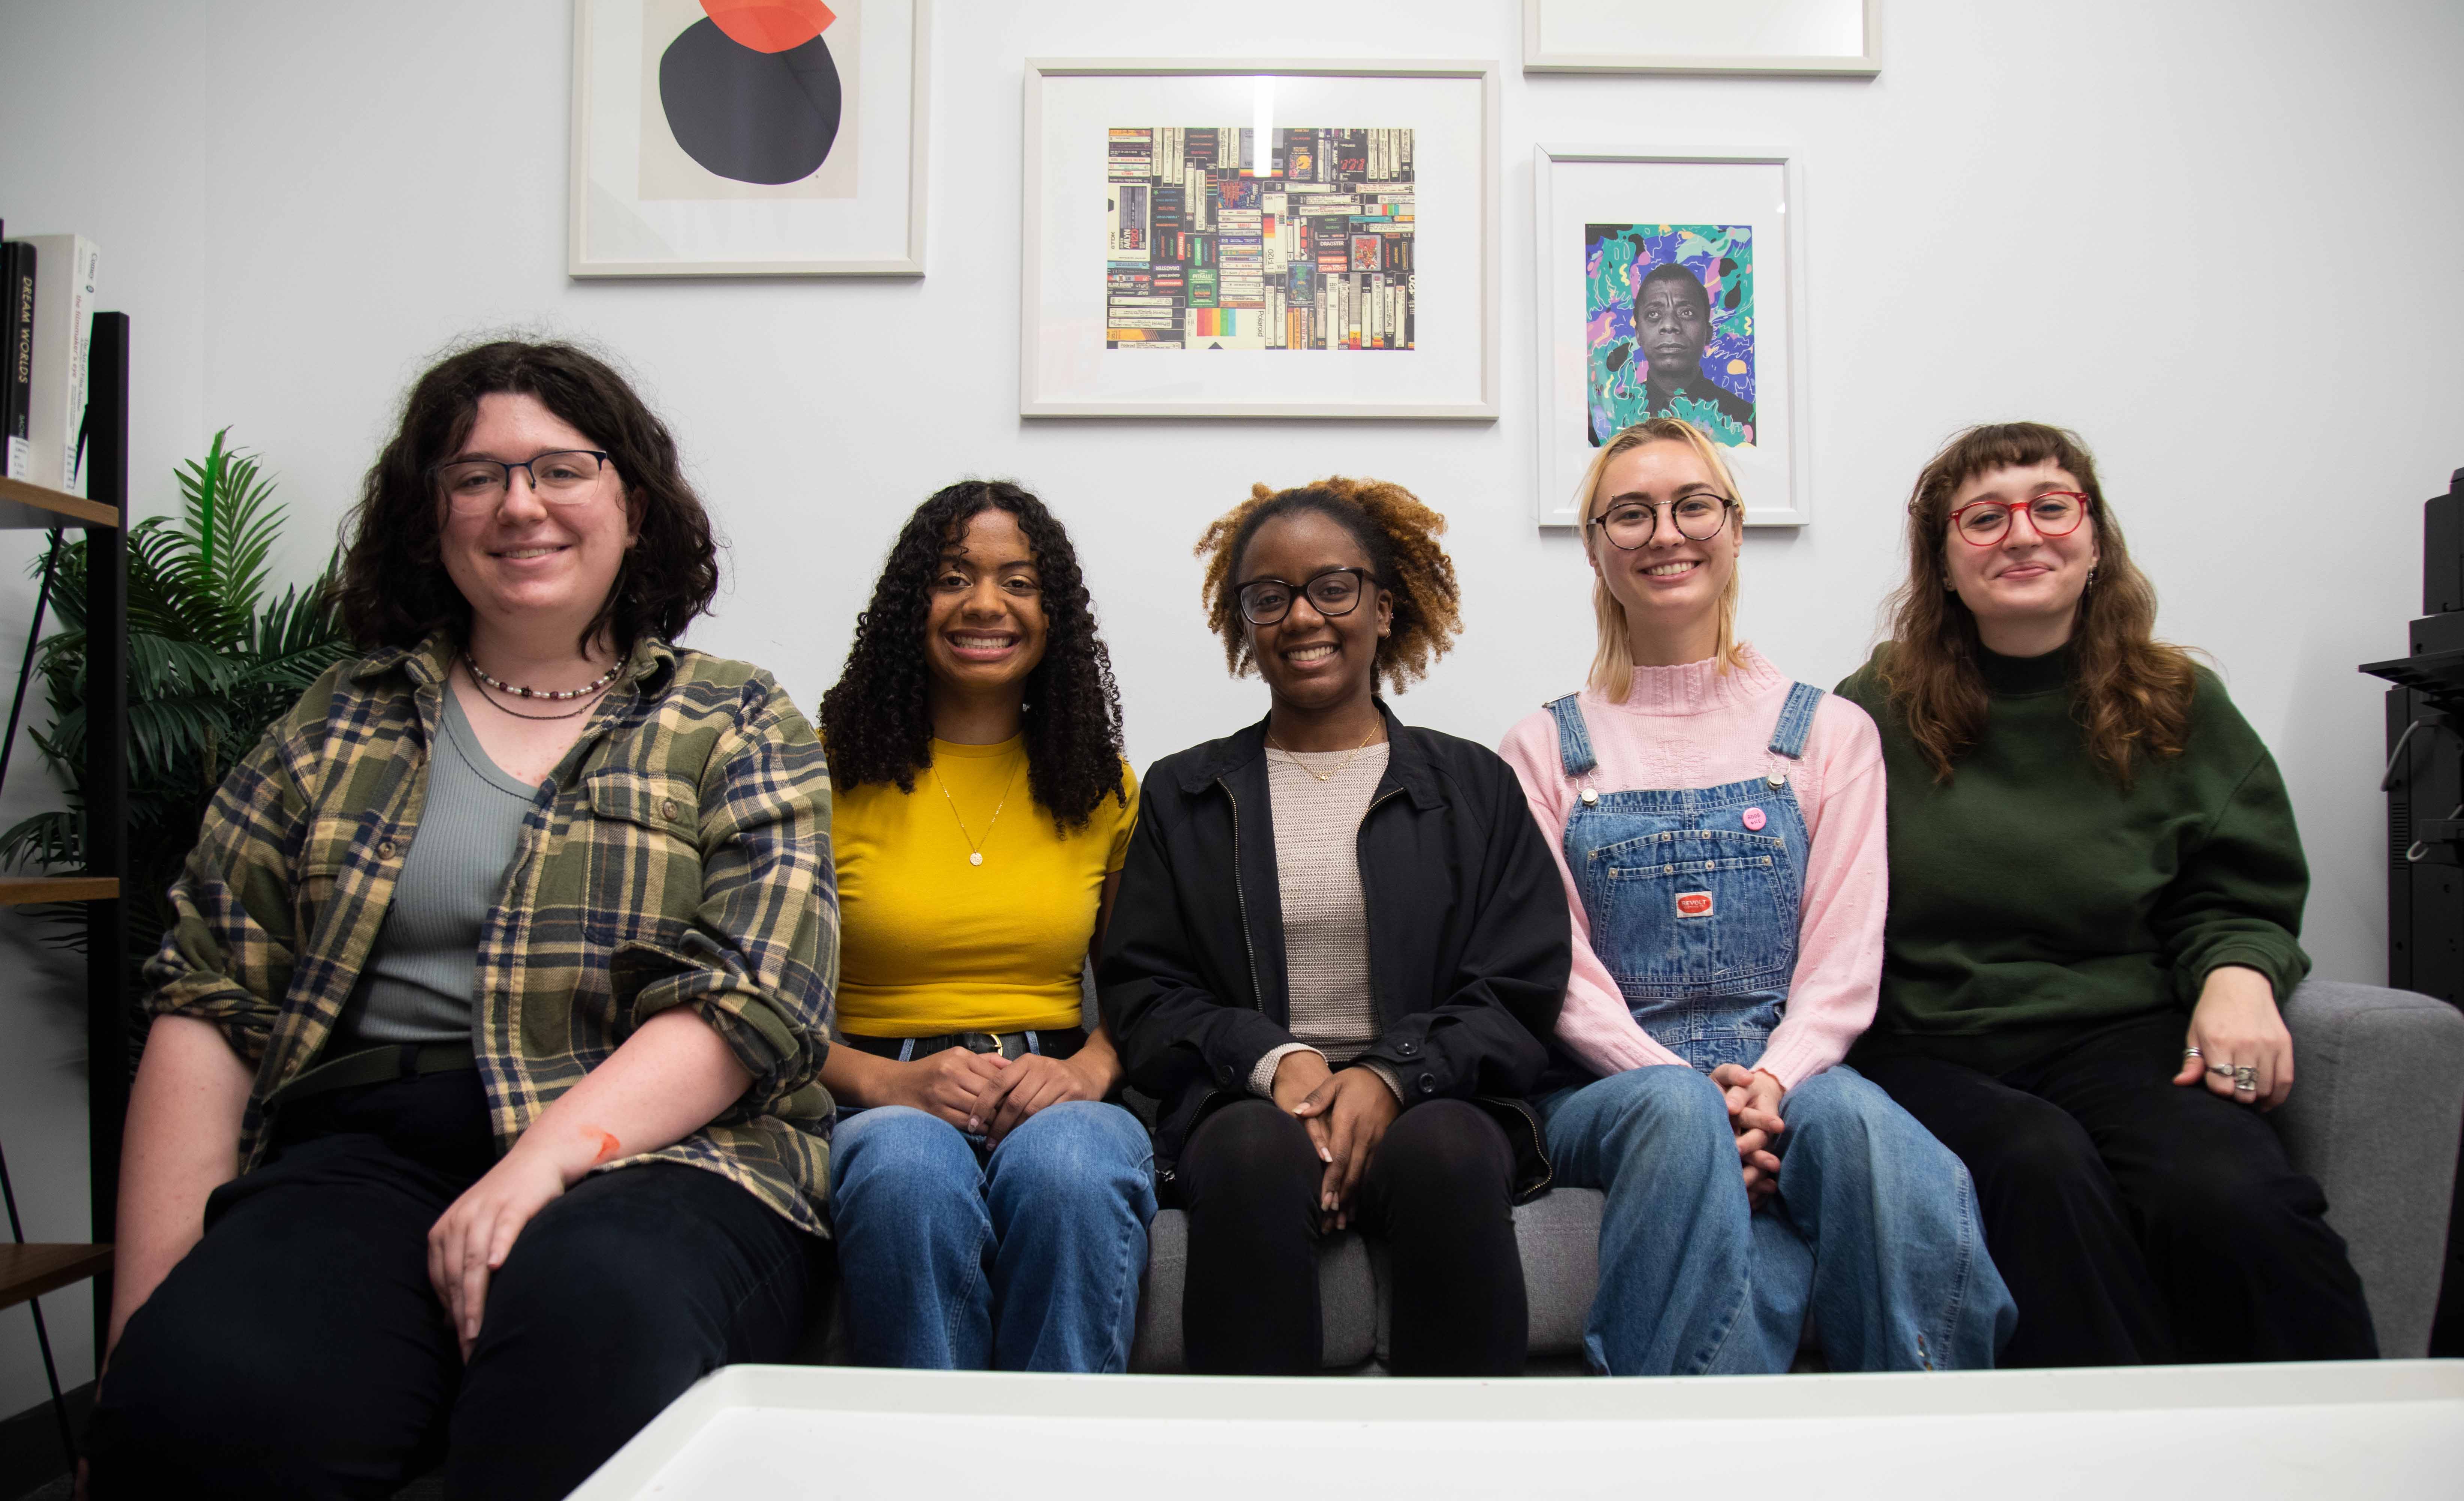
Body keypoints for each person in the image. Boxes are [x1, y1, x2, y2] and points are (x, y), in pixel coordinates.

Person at [83, 341, 839, 1499]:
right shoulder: (337, 721)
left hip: (660, 1156)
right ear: (430, 514)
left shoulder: (732, 716)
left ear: (632, 506)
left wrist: (531, 1170)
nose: (519, 504)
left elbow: (755, 993)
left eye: (560, 468)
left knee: (594, 1318)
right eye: (476, 475)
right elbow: (210, 997)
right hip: (369, 1150)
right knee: (207, 1401)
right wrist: (149, 1324)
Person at [1837, 421, 2378, 1366]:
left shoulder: (2177, 702)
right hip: (1929, 1043)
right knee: (2039, 1164)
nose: (2022, 532)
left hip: (2119, 1037)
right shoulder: (1874, 706)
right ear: (1943, 561)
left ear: (2094, 542)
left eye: (2052, 505)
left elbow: (2237, 889)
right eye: (1984, 516)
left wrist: (2241, 973)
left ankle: (2344, 1451)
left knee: (2231, 1195)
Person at [1497, 416, 2014, 1376]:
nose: (1666, 533)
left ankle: (1934, 1428)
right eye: (1632, 513)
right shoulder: (1539, 747)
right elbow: (1559, 973)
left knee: (1862, 1127)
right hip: (1608, 1089)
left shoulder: (1830, 731)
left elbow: (1845, 956)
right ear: (1594, 546)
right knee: (1674, 1113)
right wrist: (1694, 1093)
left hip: (1793, 1071)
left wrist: (1769, 1082)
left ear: (1734, 529)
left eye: (1695, 505)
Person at [1099, 478, 1569, 1375]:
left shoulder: (1472, 786)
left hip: (1434, 1099)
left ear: (1385, 606)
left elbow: (1518, 985)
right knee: (1247, 1151)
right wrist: (1275, 1062)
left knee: (1448, 1152)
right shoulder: (1183, 792)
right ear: (1243, 622)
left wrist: (1395, 1075)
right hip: (1246, 1103)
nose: (1301, 615)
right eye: (1268, 596)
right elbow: (1147, 994)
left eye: (1333, 586)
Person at [815, 480, 1154, 1372]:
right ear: (907, 606)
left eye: (1019, 580)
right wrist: (886, 1086)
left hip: (1050, 1077)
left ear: (1054, 614)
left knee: (1074, 1169)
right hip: (876, 1081)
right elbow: (766, 1001)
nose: (985, 604)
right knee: (906, 1172)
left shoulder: (1102, 782)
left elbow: (1139, 980)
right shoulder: (821, 770)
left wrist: (1088, 1067)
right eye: (953, 576)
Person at [1633, 262, 1753, 434]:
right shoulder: (1615, 415)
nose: (1669, 325)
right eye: (1654, 314)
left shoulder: (1745, 419)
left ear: (1708, 334)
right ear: (1638, 334)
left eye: (1686, 313)